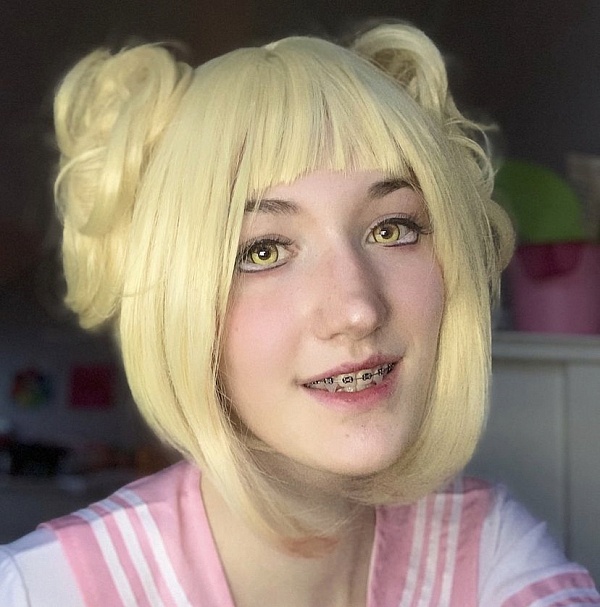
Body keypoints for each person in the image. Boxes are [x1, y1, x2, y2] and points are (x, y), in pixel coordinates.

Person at [0, 21, 598, 607]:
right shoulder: (38, 590)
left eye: (391, 228)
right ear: (174, 304)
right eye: (263, 251)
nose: (357, 310)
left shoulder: (489, 547)